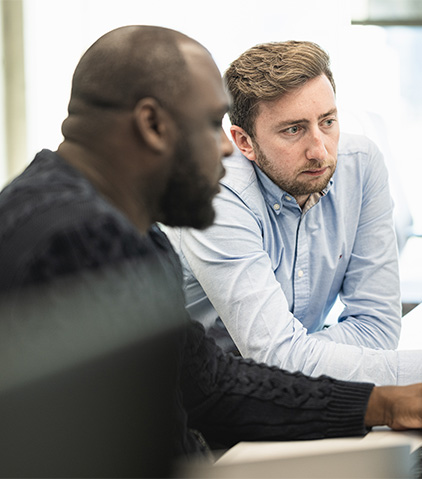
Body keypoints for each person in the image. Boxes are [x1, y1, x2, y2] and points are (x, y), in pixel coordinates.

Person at [0, 26, 421, 477]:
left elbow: (211, 384)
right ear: (152, 126)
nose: (226, 147)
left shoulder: (117, 227)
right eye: (209, 124)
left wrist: (381, 404)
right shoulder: (79, 241)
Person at [167, 40, 422, 386]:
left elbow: (377, 327)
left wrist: (296, 355)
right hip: (192, 410)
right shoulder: (217, 191)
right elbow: (275, 357)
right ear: (244, 142)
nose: (320, 151)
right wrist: (288, 357)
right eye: (293, 129)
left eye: (328, 121)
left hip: (288, 400)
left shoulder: (359, 165)